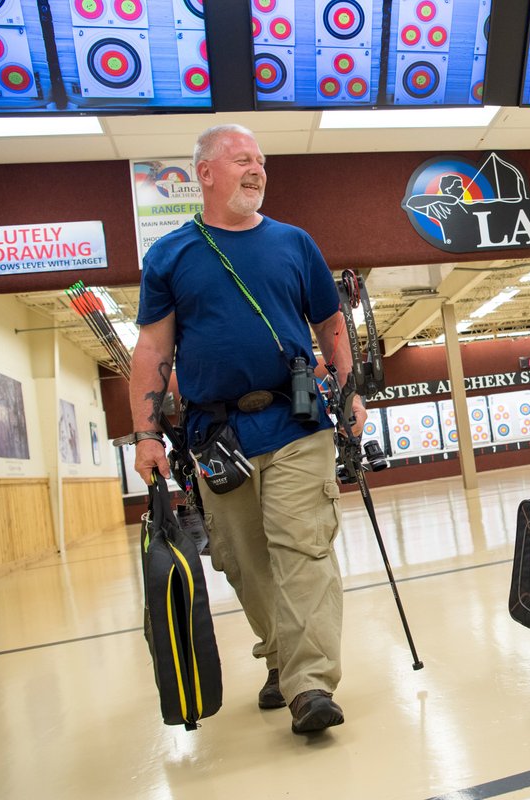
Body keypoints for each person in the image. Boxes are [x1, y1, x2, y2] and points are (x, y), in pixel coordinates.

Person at [128, 123, 367, 735]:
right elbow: (153, 349)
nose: (257, 170)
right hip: (216, 438)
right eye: (242, 160)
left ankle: (310, 683)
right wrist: (147, 435)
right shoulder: (171, 255)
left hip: (297, 423)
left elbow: (332, 325)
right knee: (242, 562)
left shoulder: (294, 243)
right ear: (205, 173)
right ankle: (282, 655)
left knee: (303, 548)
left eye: (261, 161)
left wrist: (349, 391)